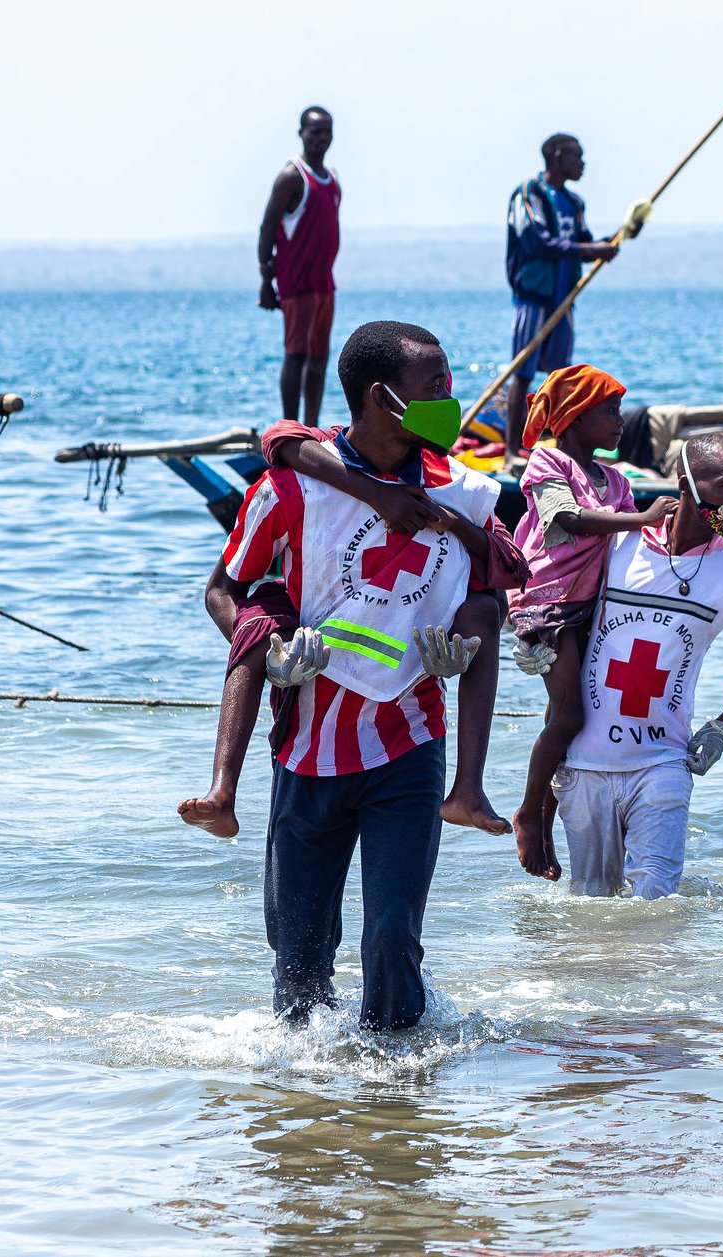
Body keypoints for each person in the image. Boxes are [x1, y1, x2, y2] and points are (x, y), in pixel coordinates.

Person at [198, 320, 515, 1030]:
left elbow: (492, 586)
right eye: (434, 385)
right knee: (299, 963)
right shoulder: (289, 488)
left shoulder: (463, 490)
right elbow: (223, 588)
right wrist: (267, 651)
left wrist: (464, 636)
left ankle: (396, 1109)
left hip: (409, 741)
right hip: (307, 750)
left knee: (392, 940)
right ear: (381, 397)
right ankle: (303, 1113)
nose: (450, 398)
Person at [517, 434, 723, 899]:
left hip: (664, 764)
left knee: (655, 906)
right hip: (585, 765)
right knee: (590, 909)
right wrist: (533, 642)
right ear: (686, 486)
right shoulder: (618, 543)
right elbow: (551, 590)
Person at [505, 364, 676, 879]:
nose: (620, 420)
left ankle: (553, 818)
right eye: (608, 410)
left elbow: (635, 546)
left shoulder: (617, 479)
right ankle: (528, 814)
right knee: (571, 717)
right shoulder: (546, 463)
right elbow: (567, 520)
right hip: (549, 604)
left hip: (594, 607)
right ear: (574, 416)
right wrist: (645, 516)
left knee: (572, 722)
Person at [503, 134, 619, 471]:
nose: (583, 164)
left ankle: (555, 449)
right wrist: (590, 250)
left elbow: (583, 244)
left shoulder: (574, 202)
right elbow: (534, 240)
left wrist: (606, 246)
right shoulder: (530, 194)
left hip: (563, 298)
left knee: (558, 376)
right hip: (534, 295)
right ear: (557, 156)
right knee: (522, 372)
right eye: (576, 156)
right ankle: (512, 449)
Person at [257, 107, 341, 427]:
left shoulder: (332, 178)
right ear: (301, 133)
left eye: (326, 131)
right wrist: (267, 281)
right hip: (298, 281)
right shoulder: (292, 177)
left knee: (319, 358)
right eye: (314, 131)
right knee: (297, 354)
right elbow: (267, 228)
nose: (321, 138)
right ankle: (290, 428)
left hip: (324, 283)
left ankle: (311, 427)